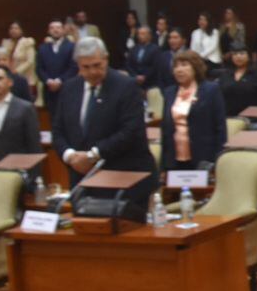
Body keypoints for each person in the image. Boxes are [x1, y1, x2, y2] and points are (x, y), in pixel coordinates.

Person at [51, 37, 156, 198]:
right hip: (82, 181)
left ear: (106, 59)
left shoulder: (127, 86)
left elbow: (130, 131)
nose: (92, 72)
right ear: (78, 65)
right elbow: (58, 130)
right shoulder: (69, 89)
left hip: (123, 179)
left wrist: (93, 155)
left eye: (97, 65)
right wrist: (70, 156)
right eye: (86, 67)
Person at [160, 50, 227, 171]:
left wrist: (218, 160)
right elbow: (165, 130)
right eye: (176, 66)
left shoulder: (211, 90)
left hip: (203, 158)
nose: (179, 70)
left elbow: (220, 128)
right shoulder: (169, 92)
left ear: (195, 67)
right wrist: (163, 165)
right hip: (174, 159)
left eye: (184, 65)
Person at [218, 41, 257, 118]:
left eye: (242, 53)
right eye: (235, 54)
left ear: (248, 56)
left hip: (253, 120)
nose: (238, 56)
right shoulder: (225, 75)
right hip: (229, 119)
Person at [38, 20, 77, 116]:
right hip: (49, 90)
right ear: (48, 31)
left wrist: (60, 81)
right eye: (52, 28)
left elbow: (73, 68)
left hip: (67, 89)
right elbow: (39, 68)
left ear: (63, 30)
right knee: (52, 118)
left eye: (58, 27)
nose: (55, 30)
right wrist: (48, 81)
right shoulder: (42, 48)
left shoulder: (72, 47)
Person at [1, 21, 38, 101]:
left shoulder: (27, 42)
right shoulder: (5, 43)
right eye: (11, 28)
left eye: (16, 28)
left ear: (21, 30)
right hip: (9, 77)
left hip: (25, 78)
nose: (13, 30)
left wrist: (16, 71)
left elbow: (30, 61)